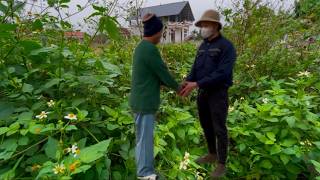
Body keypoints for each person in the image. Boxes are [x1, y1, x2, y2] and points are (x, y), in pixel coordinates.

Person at [179, 9, 237, 177]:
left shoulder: (226, 47)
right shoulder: (203, 46)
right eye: (202, 25)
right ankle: (212, 154)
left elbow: (222, 73)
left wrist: (196, 84)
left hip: (218, 94)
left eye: (206, 24)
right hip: (203, 93)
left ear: (215, 26)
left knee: (219, 128)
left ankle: (221, 163)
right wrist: (187, 82)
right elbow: (196, 69)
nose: (202, 27)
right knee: (206, 125)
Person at [129, 13, 181, 180]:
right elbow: (163, 74)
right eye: (161, 32)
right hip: (145, 103)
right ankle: (145, 174)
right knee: (145, 140)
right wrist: (180, 88)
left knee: (142, 138)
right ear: (157, 32)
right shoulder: (150, 50)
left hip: (139, 101)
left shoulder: (140, 47)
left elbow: (154, 75)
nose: (161, 36)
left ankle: (143, 170)